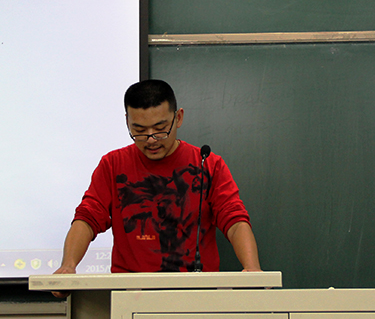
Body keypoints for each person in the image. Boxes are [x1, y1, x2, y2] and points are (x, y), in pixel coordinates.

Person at [54, 79, 260, 281]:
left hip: (197, 290)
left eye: (160, 128)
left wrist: (253, 270)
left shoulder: (208, 164)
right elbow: (87, 218)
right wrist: (68, 266)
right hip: (131, 292)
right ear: (127, 122)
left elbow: (234, 221)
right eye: (139, 131)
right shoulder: (113, 165)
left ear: (178, 118)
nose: (151, 139)